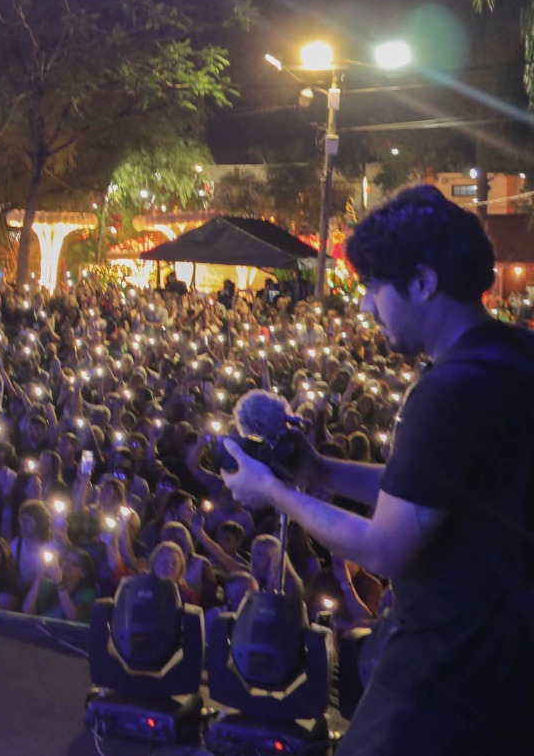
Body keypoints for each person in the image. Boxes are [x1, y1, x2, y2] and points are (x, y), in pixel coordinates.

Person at [221, 185, 534, 755]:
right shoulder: (515, 355)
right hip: (507, 671)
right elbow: (428, 493)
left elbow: (385, 547)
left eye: (374, 286)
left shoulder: (447, 392)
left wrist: (270, 490)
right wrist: (319, 472)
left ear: (423, 281)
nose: (365, 307)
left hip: (446, 679)